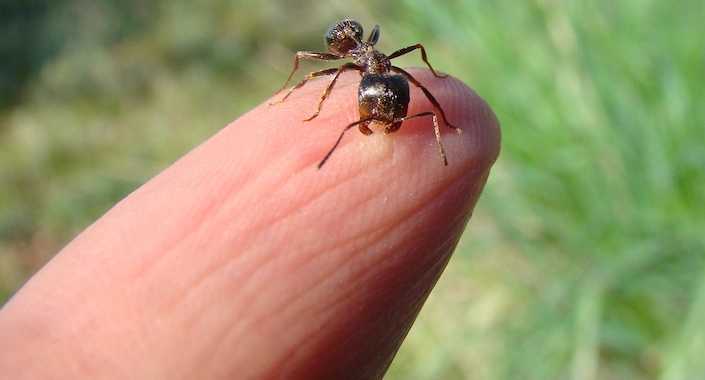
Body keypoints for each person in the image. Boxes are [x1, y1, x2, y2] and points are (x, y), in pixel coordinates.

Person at [0, 73, 500, 378]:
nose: (382, 117)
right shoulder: (349, 69)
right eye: (374, 110)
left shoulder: (387, 80)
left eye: (378, 111)